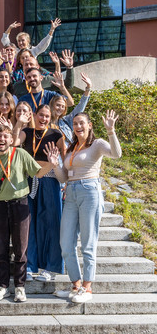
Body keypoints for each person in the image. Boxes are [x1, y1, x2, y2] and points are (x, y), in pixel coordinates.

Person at [45, 110, 121, 303]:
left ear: (89, 125)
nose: (78, 127)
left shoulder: (97, 144)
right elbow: (63, 177)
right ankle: (76, 285)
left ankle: (87, 288)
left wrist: (111, 132)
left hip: (89, 191)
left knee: (88, 243)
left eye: (82, 123)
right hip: (70, 192)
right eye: (75, 124)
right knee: (66, 243)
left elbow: (116, 154)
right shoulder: (72, 148)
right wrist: (55, 165)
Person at [0, 125, 56, 302]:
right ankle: (3, 286)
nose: (2, 139)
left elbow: (37, 172)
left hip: (20, 205)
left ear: (10, 138)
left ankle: (20, 287)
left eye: (5, 136)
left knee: (21, 248)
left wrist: (51, 164)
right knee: (0, 249)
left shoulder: (20, 154)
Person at [20, 104, 66, 281]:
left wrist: (66, 181)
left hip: (50, 180)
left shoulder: (56, 135)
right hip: (30, 180)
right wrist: (19, 124)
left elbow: (66, 157)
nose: (44, 119)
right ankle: (30, 266)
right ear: (35, 115)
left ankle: (50, 268)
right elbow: (15, 143)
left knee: (51, 224)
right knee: (29, 224)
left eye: (47, 116)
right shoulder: (27, 132)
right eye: (41, 115)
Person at [50, 73, 92, 144]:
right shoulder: (44, 121)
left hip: (69, 153)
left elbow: (81, 106)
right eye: (58, 105)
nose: (60, 108)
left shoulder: (66, 121)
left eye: (63, 106)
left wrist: (88, 87)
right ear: (52, 105)